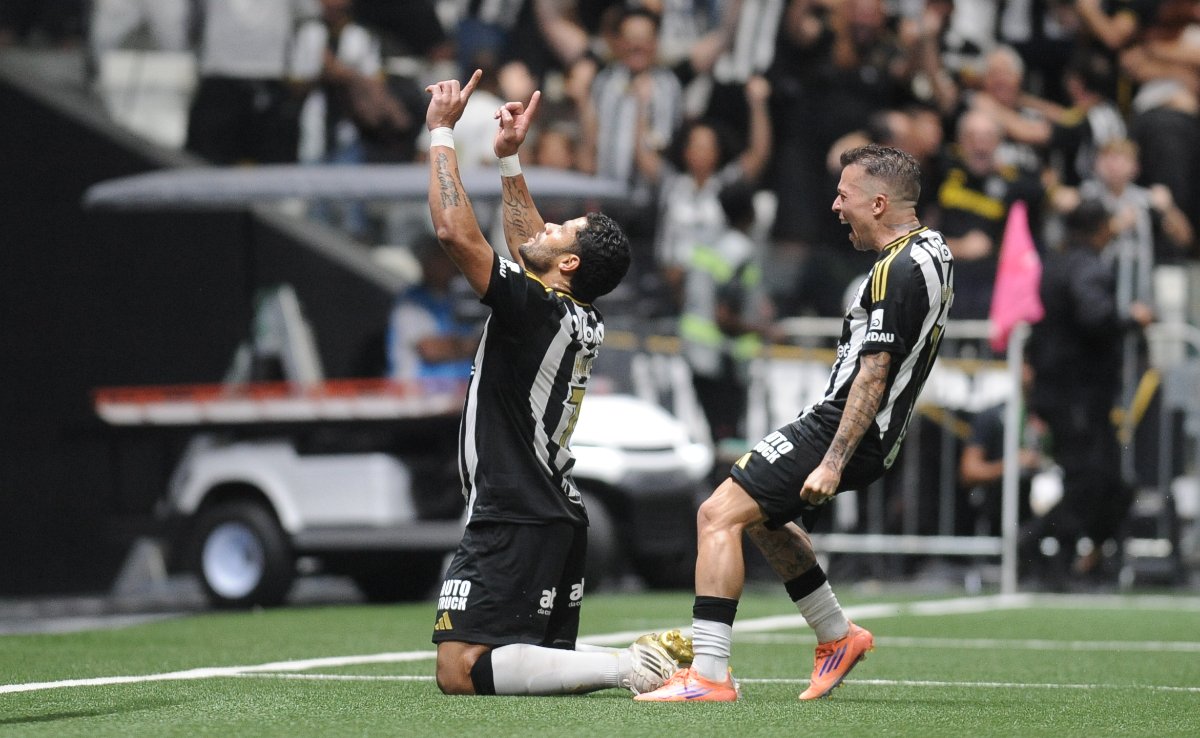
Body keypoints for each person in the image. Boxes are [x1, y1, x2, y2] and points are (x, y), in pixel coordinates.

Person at [637, 144, 954, 703]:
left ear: (879, 203)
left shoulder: (895, 269)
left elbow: (875, 372)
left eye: (844, 195)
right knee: (761, 518)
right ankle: (836, 635)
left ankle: (709, 675)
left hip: (844, 425)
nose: (835, 206)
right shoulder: (932, 252)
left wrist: (833, 460)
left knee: (716, 515)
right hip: (865, 429)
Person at [423, 71, 683, 697]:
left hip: (516, 509)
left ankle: (632, 666)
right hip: (550, 510)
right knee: (530, 669)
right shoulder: (574, 313)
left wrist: (440, 132)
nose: (546, 226)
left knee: (460, 670)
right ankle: (628, 663)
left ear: (568, 263)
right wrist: (510, 161)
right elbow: (528, 241)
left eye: (562, 228)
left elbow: (456, 234)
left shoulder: (537, 309)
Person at [1022, 199, 1150, 586]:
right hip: (1079, 393)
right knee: (1092, 479)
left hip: (1064, 390)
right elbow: (1095, 317)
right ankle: (1040, 542)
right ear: (1099, 228)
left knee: (1104, 481)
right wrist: (1133, 318)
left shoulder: (1056, 263)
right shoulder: (1086, 266)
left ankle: (1073, 555)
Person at [385, 234, 480, 382]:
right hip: (416, 397)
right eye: (441, 257)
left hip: (458, 395)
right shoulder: (411, 303)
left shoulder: (459, 298)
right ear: (426, 263)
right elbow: (430, 350)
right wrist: (474, 345)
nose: (450, 263)